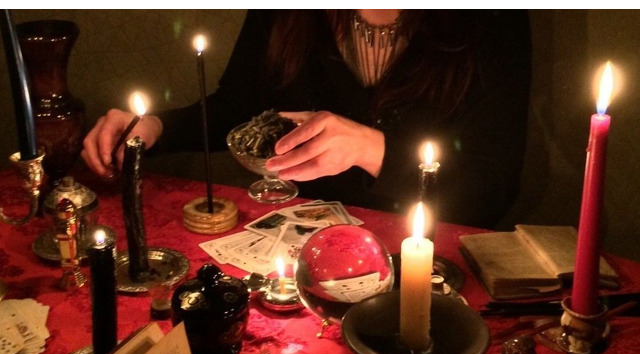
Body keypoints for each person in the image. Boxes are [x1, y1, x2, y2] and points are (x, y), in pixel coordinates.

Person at [82, 10, 531, 229]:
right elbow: (237, 111)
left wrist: (371, 150)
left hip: (428, 259)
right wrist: (155, 128)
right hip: (305, 250)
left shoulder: (491, 19)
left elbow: (491, 188)